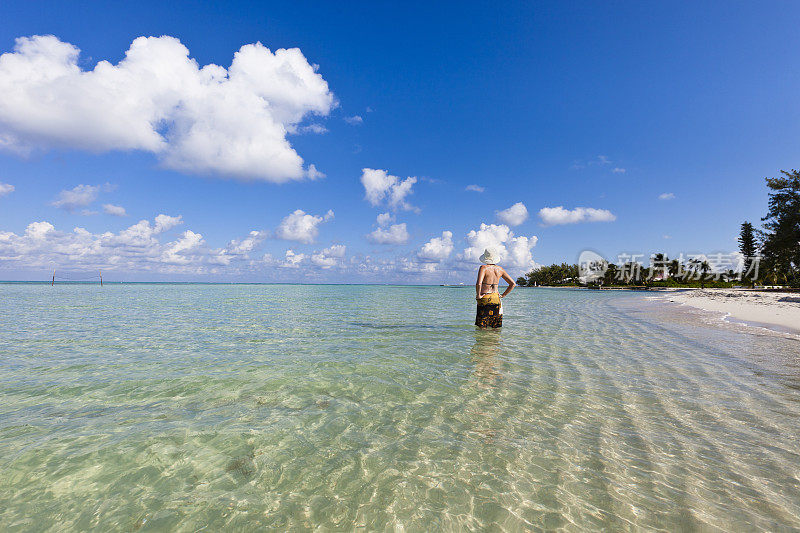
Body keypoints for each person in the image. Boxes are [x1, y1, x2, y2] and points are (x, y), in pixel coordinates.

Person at [475, 248, 516, 328]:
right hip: (496, 298)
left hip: (485, 297)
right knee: (495, 325)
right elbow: (513, 284)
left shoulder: (483, 267)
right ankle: (494, 340)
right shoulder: (500, 269)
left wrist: (478, 295)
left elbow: (479, 283)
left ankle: (483, 340)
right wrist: (503, 295)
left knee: (482, 326)